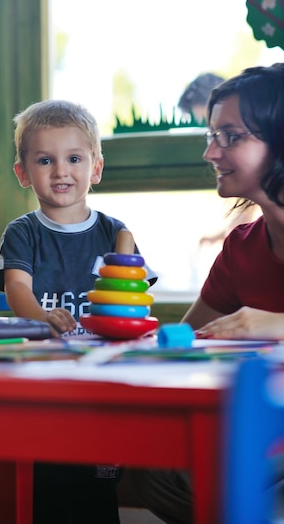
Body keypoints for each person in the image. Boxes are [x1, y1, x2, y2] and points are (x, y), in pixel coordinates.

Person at [129, 63, 284, 524]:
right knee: (151, 468)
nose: (211, 152)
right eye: (211, 135)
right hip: (262, 438)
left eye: (231, 136)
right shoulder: (241, 248)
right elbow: (187, 337)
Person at [0, 98, 157, 524]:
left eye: (74, 158)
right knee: (45, 480)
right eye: (45, 160)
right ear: (23, 173)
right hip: (40, 377)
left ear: (96, 168)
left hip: (97, 380)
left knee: (97, 488)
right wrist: (41, 318)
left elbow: (133, 299)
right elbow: (16, 289)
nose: (61, 171)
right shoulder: (22, 232)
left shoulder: (115, 232)